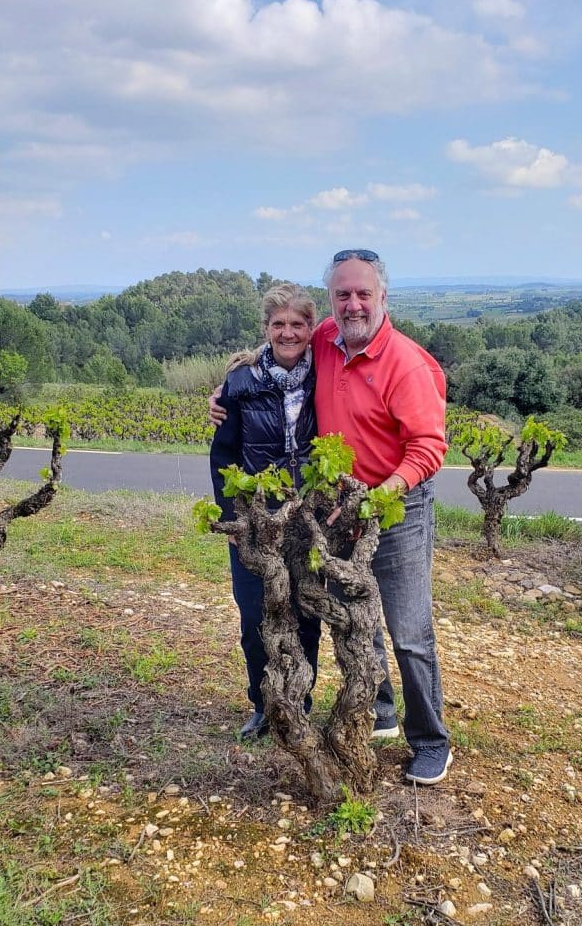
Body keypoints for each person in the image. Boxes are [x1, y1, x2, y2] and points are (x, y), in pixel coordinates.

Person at [211, 252, 452, 784]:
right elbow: (280, 343)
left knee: (409, 630)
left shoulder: (406, 362)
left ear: (382, 296)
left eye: (363, 293)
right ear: (332, 302)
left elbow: (429, 447)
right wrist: (229, 388)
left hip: (397, 503)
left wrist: (380, 494)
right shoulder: (326, 338)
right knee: (354, 615)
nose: (353, 304)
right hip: (337, 506)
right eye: (343, 294)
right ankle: (381, 710)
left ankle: (431, 741)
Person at [210, 283, 321, 741]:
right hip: (256, 520)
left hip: (308, 520)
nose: (288, 332)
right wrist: (232, 518)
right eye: (279, 324)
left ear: (311, 328)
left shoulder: (326, 376)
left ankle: (300, 703)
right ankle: (262, 704)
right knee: (255, 616)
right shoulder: (241, 382)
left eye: (297, 323)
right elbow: (223, 456)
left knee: (306, 615)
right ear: (266, 328)